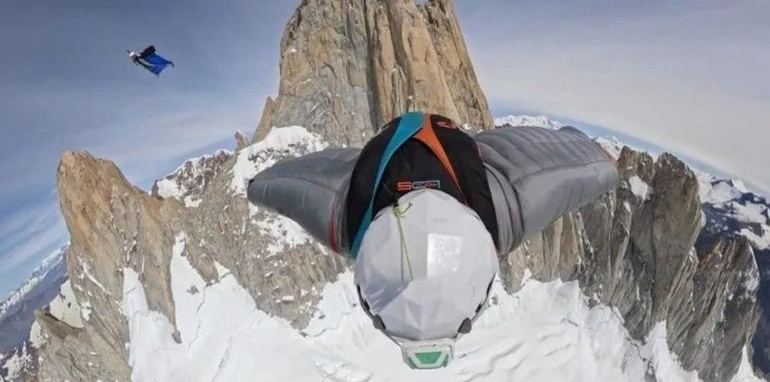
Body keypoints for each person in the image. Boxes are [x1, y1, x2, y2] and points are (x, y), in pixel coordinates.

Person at [247, 111, 618, 369]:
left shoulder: (506, 210)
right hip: (418, 153)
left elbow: (585, 170)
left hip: (463, 160)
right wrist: (256, 187)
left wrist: (597, 157)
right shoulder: (345, 219)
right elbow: (283, 186)